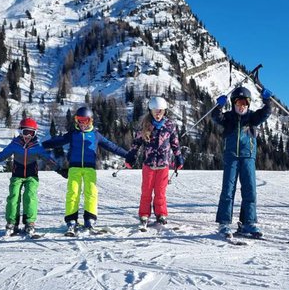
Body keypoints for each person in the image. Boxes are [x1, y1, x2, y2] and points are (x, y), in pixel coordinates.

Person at [42, 106, 130, 235]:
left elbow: (112, 146)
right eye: (80, 120)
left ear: (91, 121)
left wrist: (128, 155)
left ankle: (90, 220)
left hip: (89, 168)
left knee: (91, 192)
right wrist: (41, 145)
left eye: (86, 120)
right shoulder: (73, 134)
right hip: (74, 168)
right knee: (73, 193)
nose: (82, 124)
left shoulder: (95, 135)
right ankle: (71, 221)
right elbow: (57, 141)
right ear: (76, 120)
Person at [210, 86, 274, 238]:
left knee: (250, 189)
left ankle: (248, 223)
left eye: (244, 103)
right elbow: (215, 116)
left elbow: (266, 112)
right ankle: (224, 223)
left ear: (248, 104)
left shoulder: (252, 118)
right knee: (228, 189)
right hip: (231, 156)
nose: (241, 106)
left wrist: (267, 101)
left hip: (248, 156)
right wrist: (219, 105)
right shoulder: (228, 118)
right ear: (233, 103)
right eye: (238, 103)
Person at [0, 118, 57, 237]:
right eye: (25, 132)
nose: (27, 135)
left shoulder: (37, 146)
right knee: (13, 197)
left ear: (35, 133)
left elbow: (48, 159)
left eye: (31, 133)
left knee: (30, 196)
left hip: (32, 176)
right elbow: (2, 155)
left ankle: (29, 223)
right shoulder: (15, 145)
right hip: (17, 175)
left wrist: (60, 169)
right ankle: (12, 223)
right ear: (21, 132)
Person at [125, 96, 184, 228]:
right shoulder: (145, 126)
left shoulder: (169, 126)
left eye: (161, 111)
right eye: (155, 111)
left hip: (164, 165)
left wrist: (179, 157)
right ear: (150, 111)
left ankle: (161, 214)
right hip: (149, 165)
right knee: (146, 191)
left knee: (160, 191)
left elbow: (175, 143)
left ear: (165, 112)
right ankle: (144, 214)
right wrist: (131, 156)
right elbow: (136, 144)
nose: (158, 114)